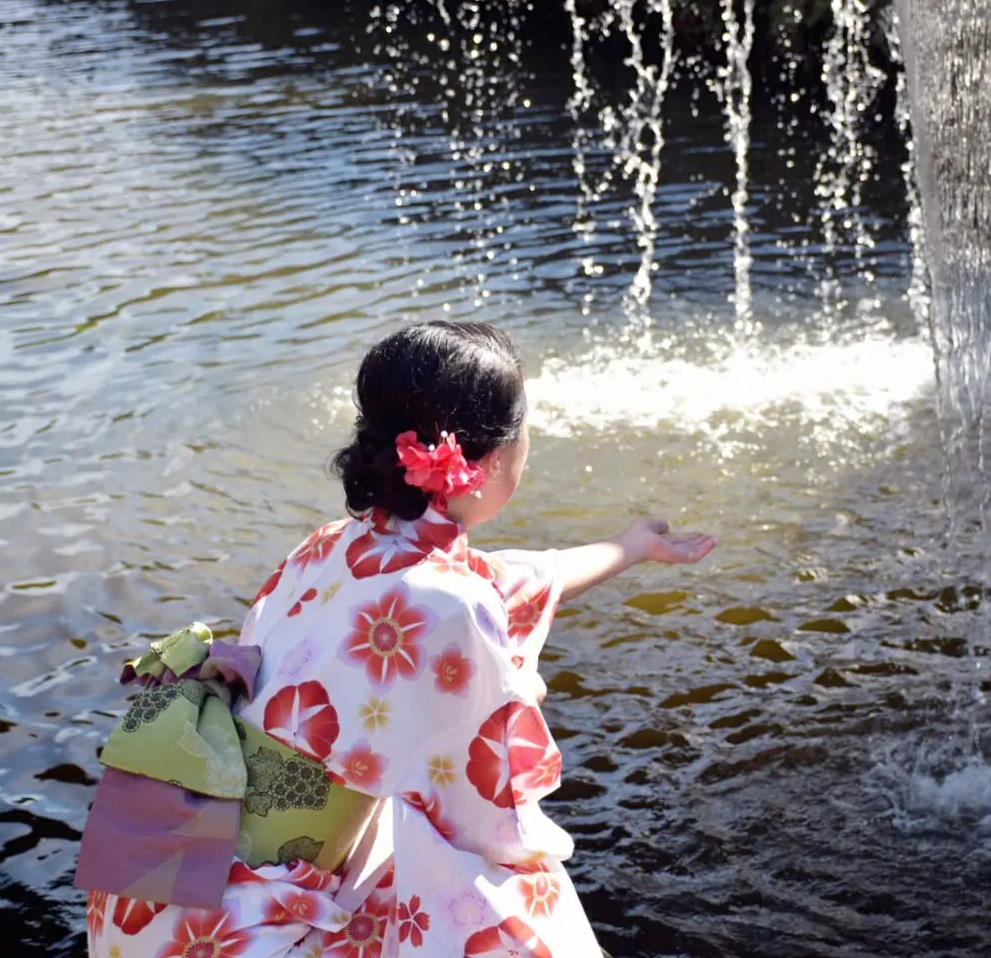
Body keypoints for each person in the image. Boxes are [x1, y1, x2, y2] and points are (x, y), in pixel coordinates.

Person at [81, 321, 716, 957]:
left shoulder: (334, 544)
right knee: (515, 902)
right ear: (491, 458)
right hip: (249, 928)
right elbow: (486, 809)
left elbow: (508, 581)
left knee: (397, 825)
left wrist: (630, 546)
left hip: (159, 884)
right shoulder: (450, 602)